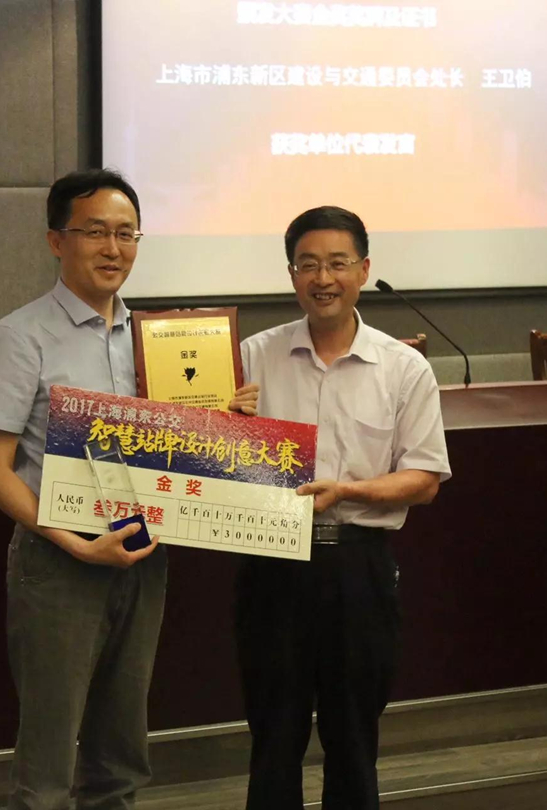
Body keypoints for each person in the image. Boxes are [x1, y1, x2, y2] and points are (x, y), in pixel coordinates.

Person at [235, 206, 451, 810]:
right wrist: (221, 425)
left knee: (354, 738)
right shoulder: (252, 357)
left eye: (337, 263)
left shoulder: (403, 368)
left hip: (359, 569)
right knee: (273, 736)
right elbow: (210, 457)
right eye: (308, 265)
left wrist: (347, 491)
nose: (322, 278)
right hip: (271, 566)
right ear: (291, 274)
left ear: (363, 270)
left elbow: (424, 479)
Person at [0, 169, 167, 809]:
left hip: (141, 556)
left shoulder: (155, 341)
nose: (114, 249)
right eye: (95, 232)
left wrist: (227, 416)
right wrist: (76, 545)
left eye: (126, 234)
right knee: (49, 768)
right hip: (59, 563)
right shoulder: (20, 336)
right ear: (57, 240)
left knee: (121, 761)